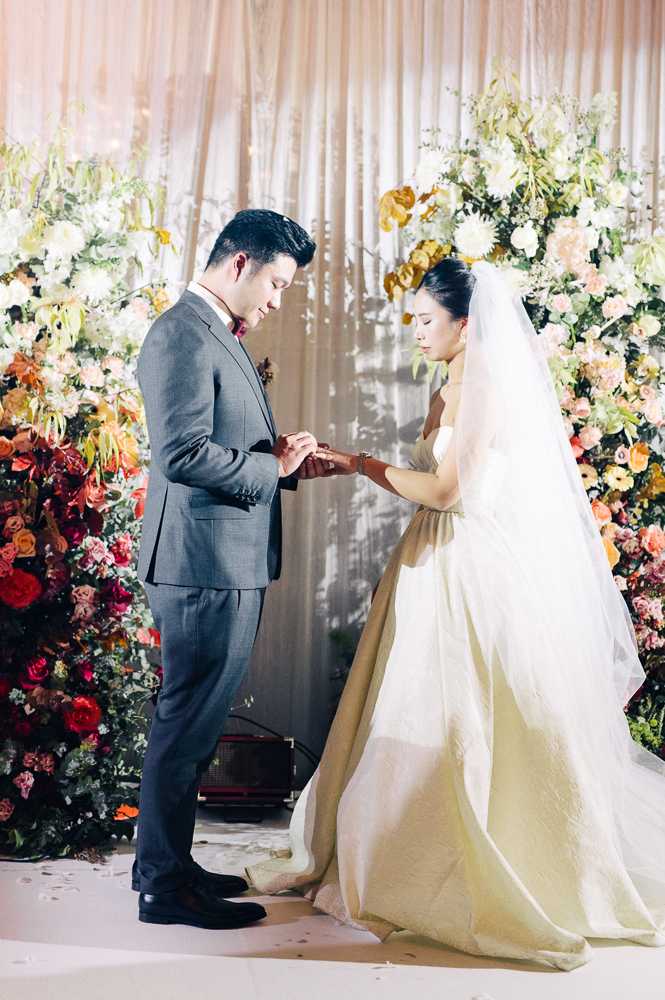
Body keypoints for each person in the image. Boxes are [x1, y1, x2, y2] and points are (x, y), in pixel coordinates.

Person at [247, 258, 665, 970]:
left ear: (465, 325)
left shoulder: (486, 390)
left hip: (470, 566)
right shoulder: (450, 387)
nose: (412, 330)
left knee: (463, 716)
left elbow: (444, 490)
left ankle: (471, 861)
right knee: (414, 713)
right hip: (430, 562)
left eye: (423, 319)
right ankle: (396, 854)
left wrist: (356, 463)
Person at [134, 209, 331, 929]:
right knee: (184, 726)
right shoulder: (181, 332)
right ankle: (161, 888)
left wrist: (281, 461)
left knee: (193, 726)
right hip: (200, 562)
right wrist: (267, 465)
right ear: (240, 262)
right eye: (276, 282)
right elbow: (180, 454)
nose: (277, 299)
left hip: (221, 558)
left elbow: (220, 441)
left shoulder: (213, 332)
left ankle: (171, 867)